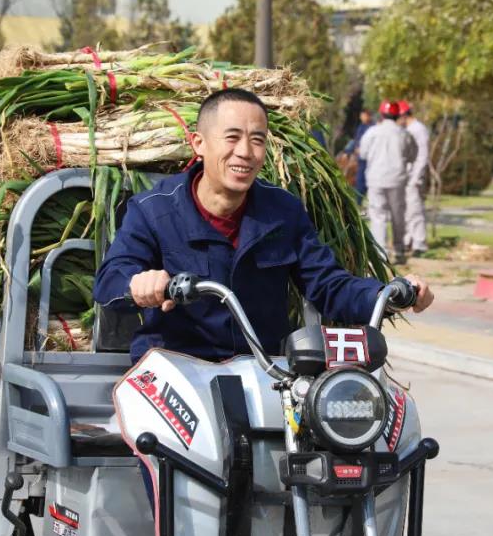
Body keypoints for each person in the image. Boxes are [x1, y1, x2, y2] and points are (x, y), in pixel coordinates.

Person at [92, 88, 434, 364]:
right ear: (199, 143)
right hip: (175, 371)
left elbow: (328, 285)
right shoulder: (154, 210)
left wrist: (388, 295)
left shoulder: (281, 211)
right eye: (232, 137)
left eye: (257, 140)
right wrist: (140, 283)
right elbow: (111, 280)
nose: (245, 152)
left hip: (265, 370)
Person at [358, 100, 417, 264]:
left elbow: (362, 153)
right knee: (398, 216)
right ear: (398, 115)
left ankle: (381, 253)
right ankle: (399, 251)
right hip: (397, 179)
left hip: (376, 179)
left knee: (378, 216)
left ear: (381, 114)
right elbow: (413, 155)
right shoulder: (404, 133)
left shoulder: (372, 132)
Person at [400, 101, 430, 257]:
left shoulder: (419, 129)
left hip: (414, 176)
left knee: (415, 210)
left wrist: (416, 177)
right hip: (405, 176)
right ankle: (407, 241)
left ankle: (419, 243)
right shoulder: (407, 130)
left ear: (405, 115)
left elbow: (423, 156)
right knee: (406, 211)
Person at [341, 108, 374, 200]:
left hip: (369, 160)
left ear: (368, 115)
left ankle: (365, 202)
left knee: (367, 182)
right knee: (359, 182)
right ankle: (358, 203)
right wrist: (347, 151)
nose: (361, 117)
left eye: (362, 115)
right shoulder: (361, 127)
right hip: (360, 159)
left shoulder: (373, 128)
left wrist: (363, 149)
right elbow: (355, 141)